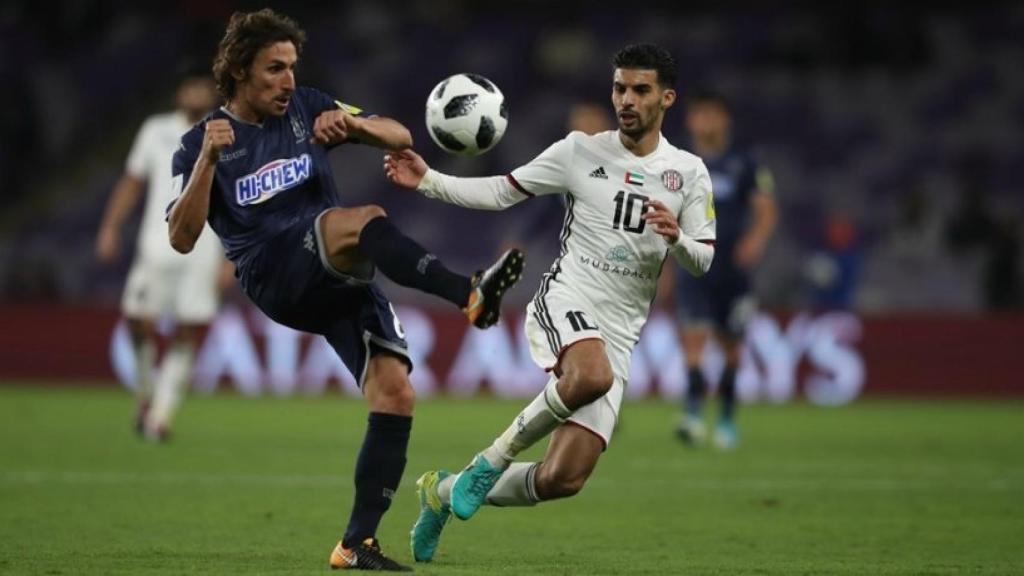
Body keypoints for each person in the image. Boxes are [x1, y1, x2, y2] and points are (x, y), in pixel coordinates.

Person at [166, 9, 524, 571]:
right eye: (274, 68)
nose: (288, 80)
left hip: (335, 271)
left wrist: (354, 127)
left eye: (292, 67)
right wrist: (209, 161)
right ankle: (467, 292)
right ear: (238, 70)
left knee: (395, 394)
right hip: (274, 270)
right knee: (363, 219)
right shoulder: (199, 144)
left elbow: (400, 136)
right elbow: (181, 238)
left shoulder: (307, 105)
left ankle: (356, 544)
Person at [384, 44, 716, 563]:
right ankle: (490, 461)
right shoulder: (579, 151)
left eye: (640, 90)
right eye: (620, 88)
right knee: (591, 375)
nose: (626, 100)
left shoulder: (688, 172)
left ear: (666, 98)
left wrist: (677, 238)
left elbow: (704, 259)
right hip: (567, 297)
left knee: (564, 478)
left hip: (621, 330)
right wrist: (428, 181)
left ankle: (443, 491)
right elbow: (503, 191)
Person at [95, 70, 231, 442]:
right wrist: (110, 227)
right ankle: (146, 392)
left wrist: (230, 259)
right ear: (179, 92)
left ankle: (161, 415)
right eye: (191, 87)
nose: (196, 94)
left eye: (203, 88)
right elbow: (132, 183)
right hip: (155, 249)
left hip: (203, 252)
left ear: (214, 94)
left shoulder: (228, 132)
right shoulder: (155, 130)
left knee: (188, 330)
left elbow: (238, 199)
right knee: (137, 320)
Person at [673, 90, 777, 449]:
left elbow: (766, 209)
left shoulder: (745, 163)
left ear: (725, 119)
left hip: (731, 269)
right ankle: (692, 414)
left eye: (712, 114)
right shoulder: (677, 161)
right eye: (700, 115)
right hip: (692, 265)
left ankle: (727, 420)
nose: (706, 122)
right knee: (693, 339)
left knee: (731, 346)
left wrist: (756, 240)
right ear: (691, 121)